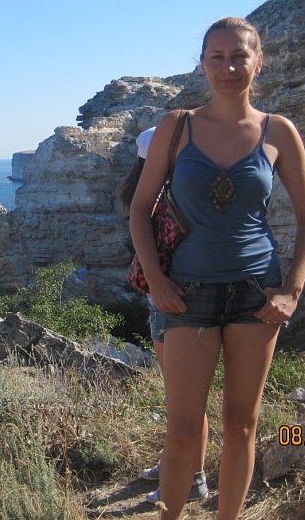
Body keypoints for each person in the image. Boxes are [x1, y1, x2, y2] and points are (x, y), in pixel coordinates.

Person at [129, 16, 305, 520]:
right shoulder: (176, 127)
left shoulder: (279, 131)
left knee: (241, 426)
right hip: (186, 292)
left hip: (257, 291)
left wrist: (292, 290)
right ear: (203, 65)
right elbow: (140, 209)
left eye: (239, 56)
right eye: (217, 57)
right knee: (183, 431)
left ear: (259, 62)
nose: (228, 67)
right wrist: (156, 280)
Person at [118, 127, 209, 505]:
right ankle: (178, 463)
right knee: (180, 394)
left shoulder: (143, 192)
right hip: (168, 295)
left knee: (183, 395)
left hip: (169, 296)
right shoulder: (167, 191)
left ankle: (192, 476)